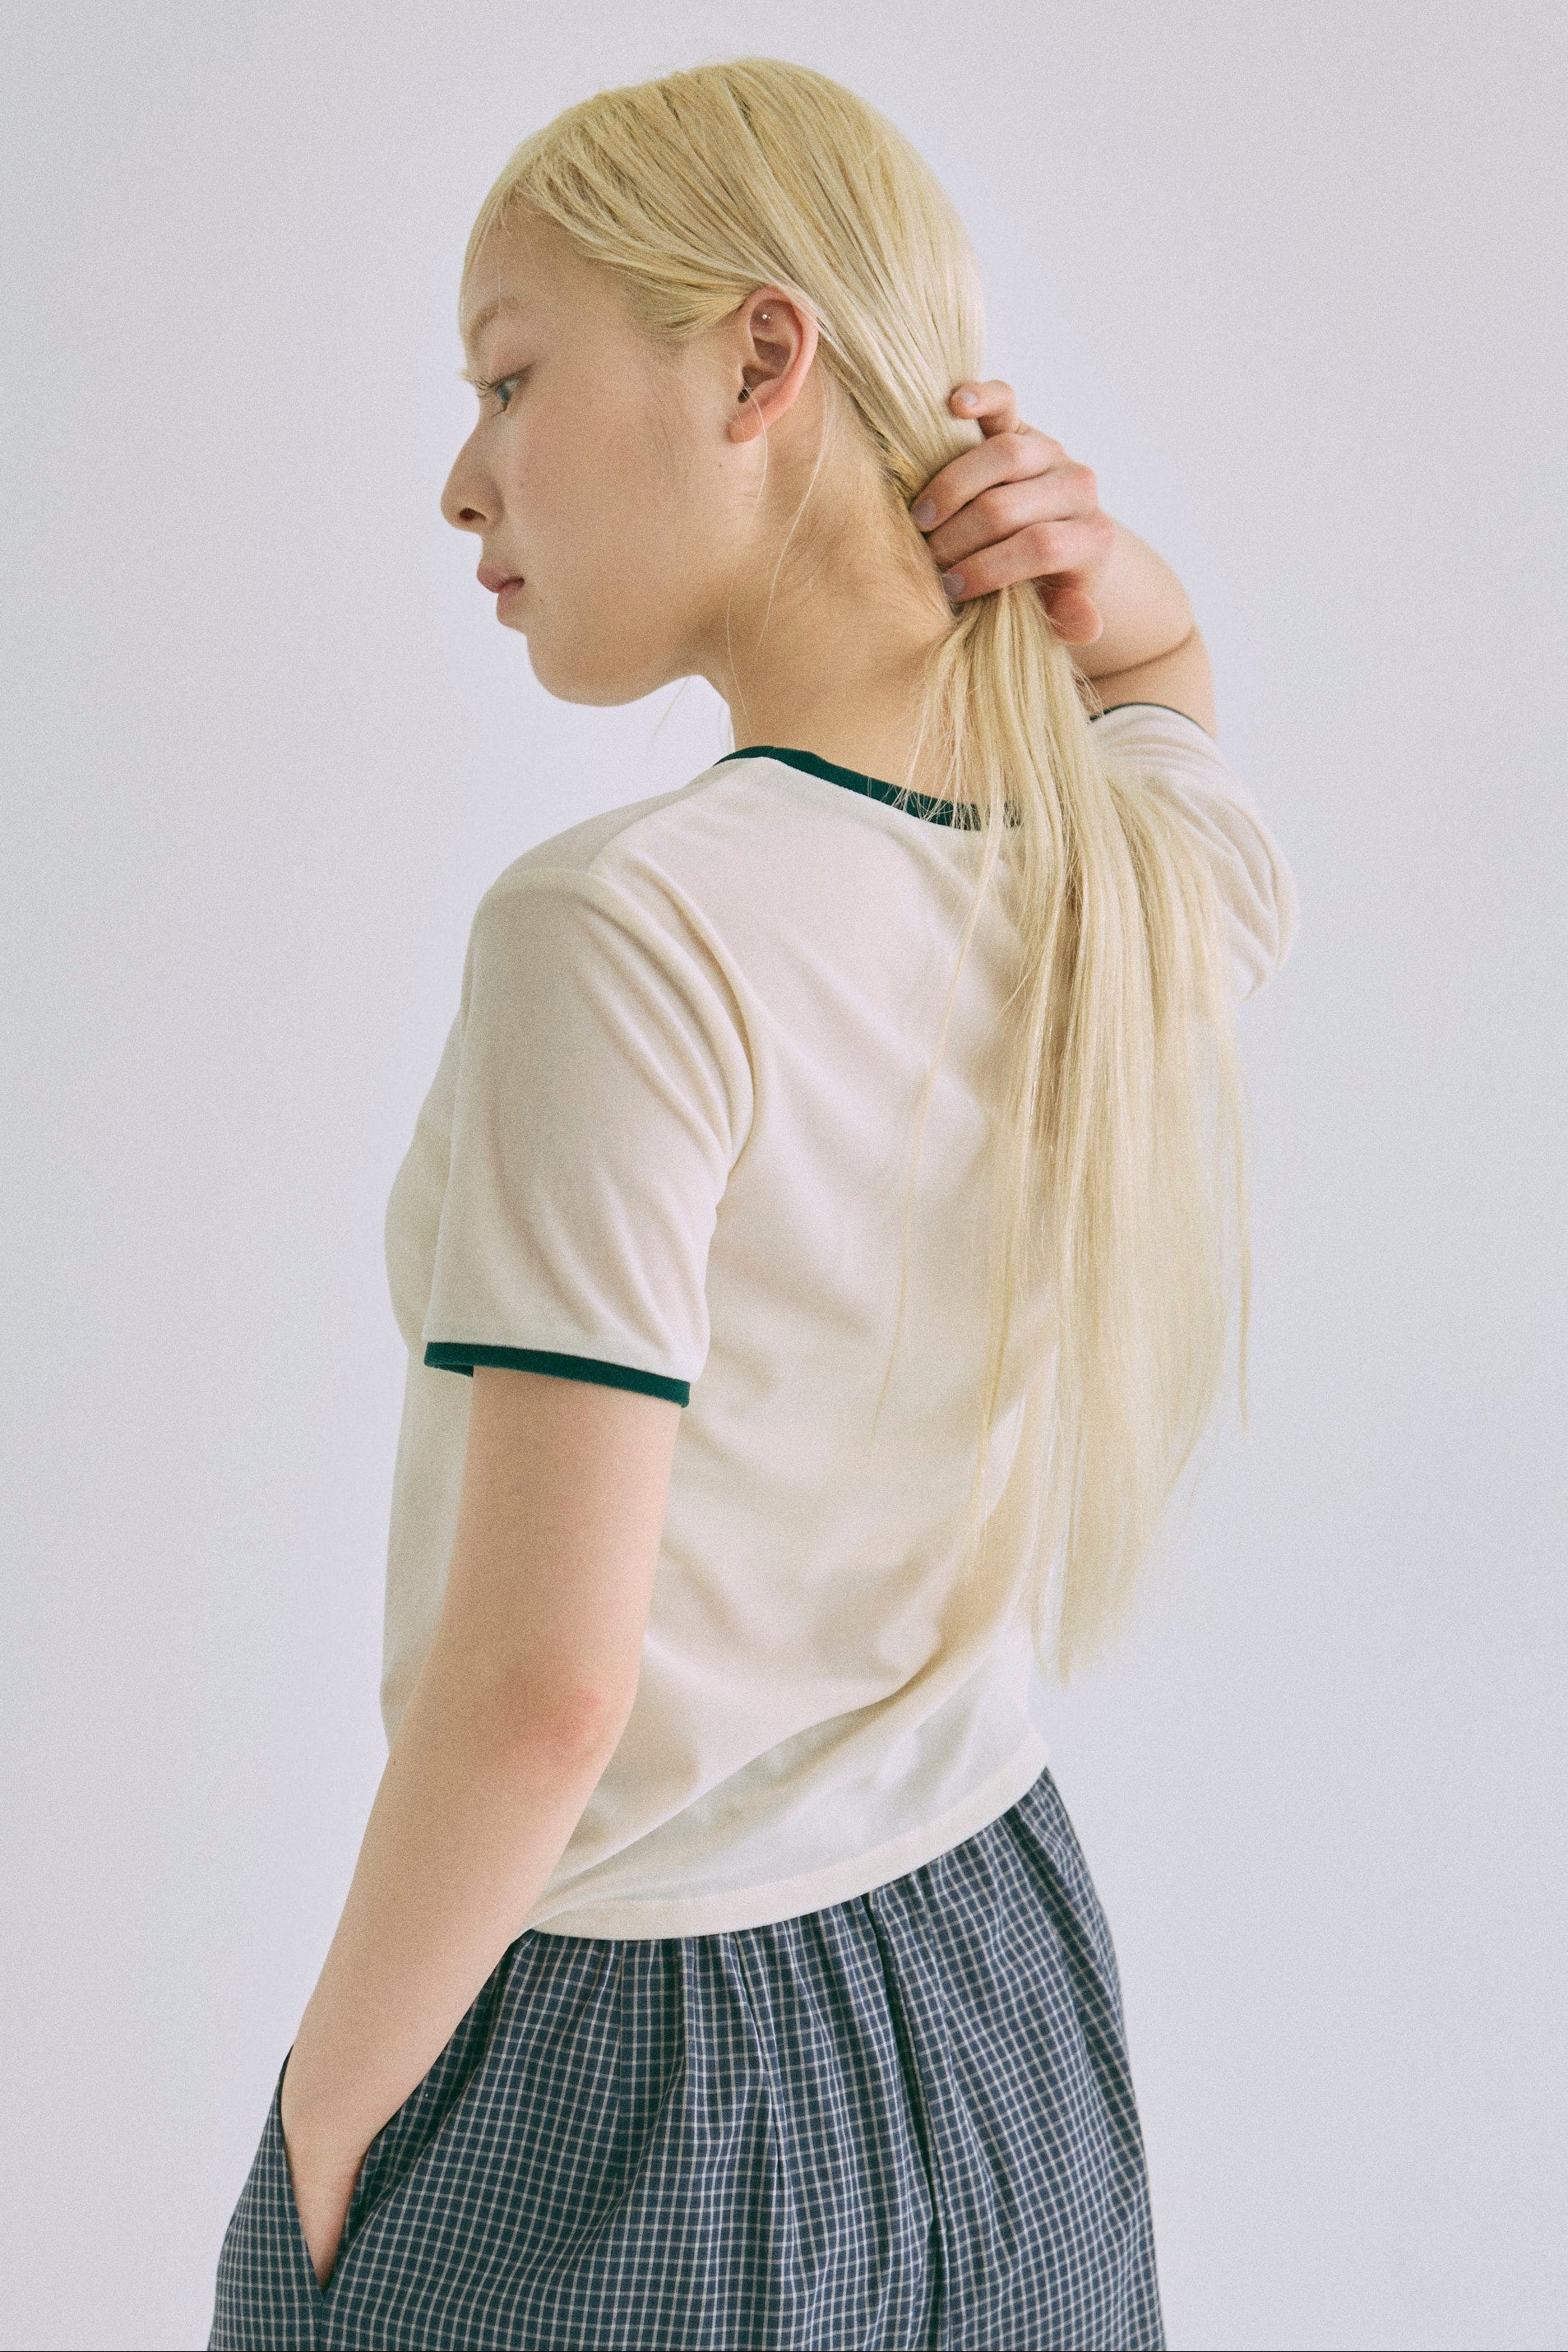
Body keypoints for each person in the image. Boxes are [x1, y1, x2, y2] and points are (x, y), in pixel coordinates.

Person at [208, 55, 1297, 2352]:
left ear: (759, 363)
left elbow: (541, 1688)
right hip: (1003, 1986)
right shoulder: (1097, 883)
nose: (462, 477)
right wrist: (1117, 592)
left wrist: (318, 2138)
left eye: (511, 375)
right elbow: (1165, 712)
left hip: (638, 2073)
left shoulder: (625, 934)